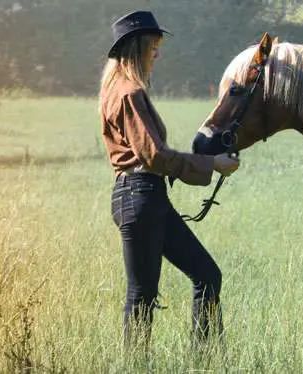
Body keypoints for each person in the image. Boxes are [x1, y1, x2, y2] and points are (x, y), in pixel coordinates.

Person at [98, 10, 239, 348]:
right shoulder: (129, 93)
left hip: (144, 196)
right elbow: (154, 156)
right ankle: (136, 366)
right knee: (142, 294)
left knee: (205, 275)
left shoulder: (118, 89)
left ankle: (203, 360)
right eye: (153, 47)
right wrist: (212, 164)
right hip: (140, 196)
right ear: (137, 48)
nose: (157, 54)